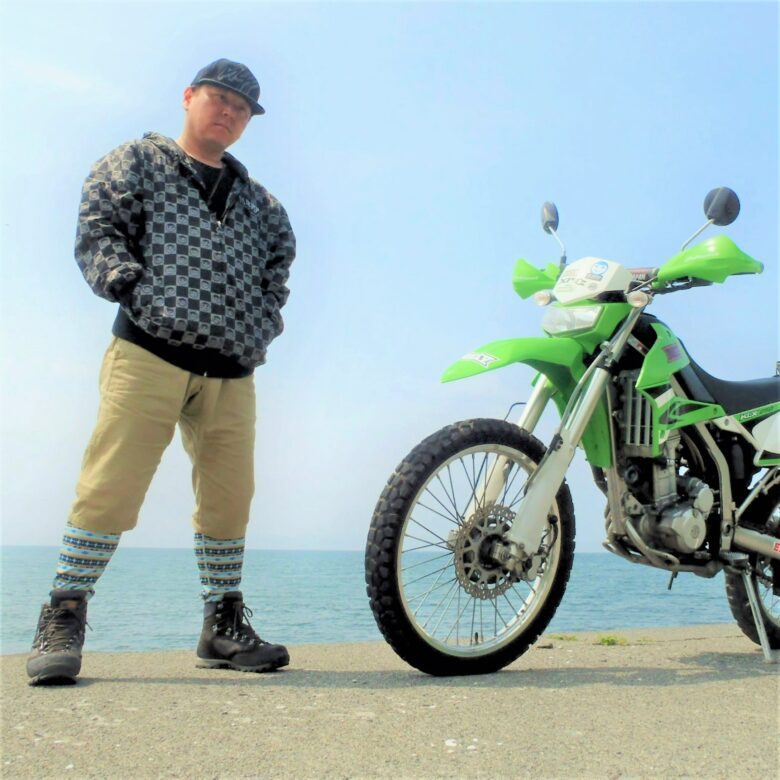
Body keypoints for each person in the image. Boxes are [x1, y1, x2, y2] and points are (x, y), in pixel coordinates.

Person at [27, 59, 296, 685]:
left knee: (230, 498)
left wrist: (260, 327)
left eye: (242, 107)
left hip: (232, 369)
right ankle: (64, 613)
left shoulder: (263, 204)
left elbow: (277, 272)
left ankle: (221, 624)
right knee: (111, 484)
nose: (228, 111)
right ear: (189, 96)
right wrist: (134, 290)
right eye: (219, 97)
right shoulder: (137, 162)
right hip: (148, 352)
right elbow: (98, 229)